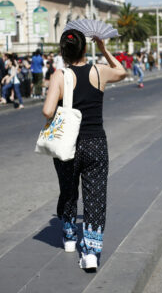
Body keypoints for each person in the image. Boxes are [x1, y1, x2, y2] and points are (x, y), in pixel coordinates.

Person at [42, 29, 126, 271]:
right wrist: (103, 49)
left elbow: (48, 111)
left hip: (68, 144)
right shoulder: (99, 70)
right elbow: (122, 71)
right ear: (83, 49)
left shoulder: (60, 75)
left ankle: (69, 237)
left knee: (68, 192)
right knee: (95, 198)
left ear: (62, 52)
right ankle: (90, 253)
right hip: (96, 142)